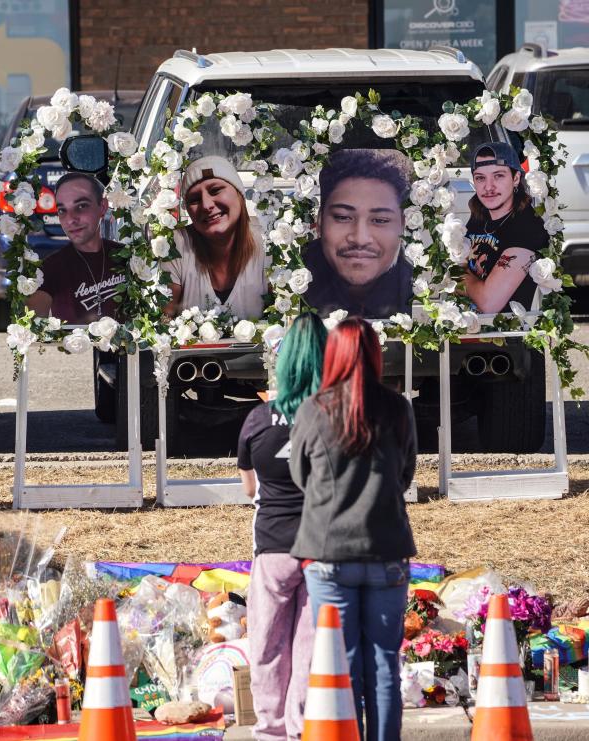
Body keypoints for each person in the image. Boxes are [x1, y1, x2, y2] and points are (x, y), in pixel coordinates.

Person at [289, 317, 417, 741]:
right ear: (376, 355)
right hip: (387, 548)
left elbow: (300, 476)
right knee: (384, 665)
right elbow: (405, 476)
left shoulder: (314, 409)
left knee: (338, 665)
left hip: (328, 552)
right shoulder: (398, 408)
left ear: (333, 355)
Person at [238, 313, 328, 741]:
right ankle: (302, 728)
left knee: (268, 645)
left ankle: (270, 730)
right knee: (311, 648)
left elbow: (248, 487)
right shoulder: (338, 418)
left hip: (273, 544)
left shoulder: (258, 419)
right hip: (323, 545)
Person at [303, 149, 413, 317]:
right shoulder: (296, 276)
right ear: (319, 221)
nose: (360, 239)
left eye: (380, 220)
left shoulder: (416, 282)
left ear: (403, 225)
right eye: (342, 217)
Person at [165, 155, 268, 319]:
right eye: (194, 199)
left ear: (239, 194)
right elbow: (164, 317)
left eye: (215, 190)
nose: (206, 205)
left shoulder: (267, 242)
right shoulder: (176, 245)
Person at [25, 173, 124, 324]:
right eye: (62, 210)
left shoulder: (127, 257)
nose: (71, 219)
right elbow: (34, 321)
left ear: (102, 206)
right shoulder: (52, 267)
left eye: (81, 206)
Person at [463, 142, 548, 314]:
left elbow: (488, 304)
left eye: (498, 176)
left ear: (516, 178)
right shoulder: (480, 217)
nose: (488, 187)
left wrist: (455, 269)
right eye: (480, 178)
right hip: (465, 331)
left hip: (504, 336)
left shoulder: (526, 227)